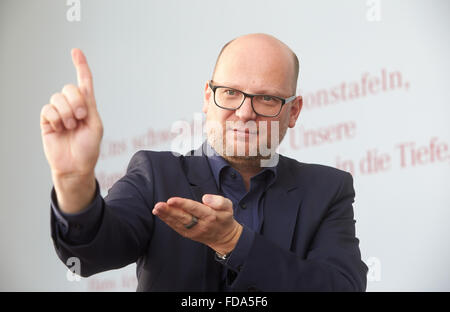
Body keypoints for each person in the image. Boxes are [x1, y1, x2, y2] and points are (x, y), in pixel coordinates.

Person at [40, 33, 368, 291]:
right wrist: (74, 181)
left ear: (293, 112)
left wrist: (234, 243)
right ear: (207, 97)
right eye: (229, 92)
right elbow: (88, 257)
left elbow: (342, 287)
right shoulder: (155, 174)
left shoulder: (328, 189)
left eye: (267, 98)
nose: (244, 113)